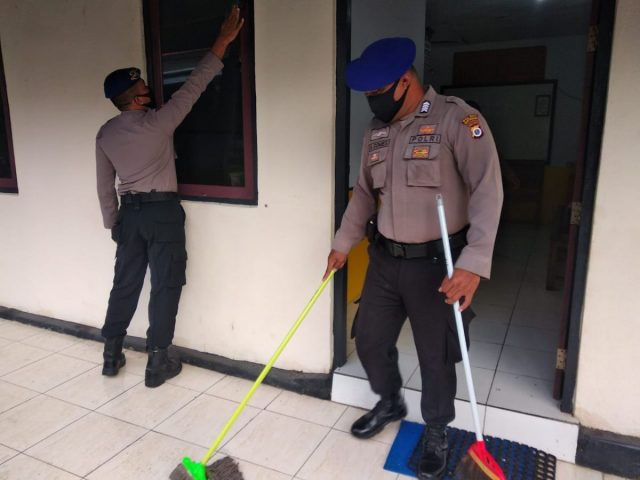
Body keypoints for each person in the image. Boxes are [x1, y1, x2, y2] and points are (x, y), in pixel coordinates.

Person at [323, 37, 503, 479]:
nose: (373, 101)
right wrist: (343, 242)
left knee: (435, 354)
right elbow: (364, 194)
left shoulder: (458, 120)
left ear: (405, 81)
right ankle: (390, 401)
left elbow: (487, 190)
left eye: (377, 92)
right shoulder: (376, 132)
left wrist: (473, 263)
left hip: (439, 264)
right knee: (368, 338)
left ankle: (437, 429)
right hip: (386, 260)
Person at [96, 7, 243, 388]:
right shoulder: (159, 123)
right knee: (165, 284)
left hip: (129, 216)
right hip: (162, 214)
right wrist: (222, 42)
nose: (150, 91)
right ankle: (157, 361)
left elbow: (104, 186)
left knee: (125, 283)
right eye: (144, 88)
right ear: (137, 99)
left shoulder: (105, 134)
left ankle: (111, 354)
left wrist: (114, 224)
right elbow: (195, 85)